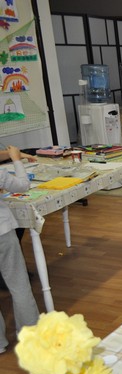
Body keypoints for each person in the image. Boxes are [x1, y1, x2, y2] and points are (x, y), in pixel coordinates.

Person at [0, 145, 40, 354]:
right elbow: (23, 185)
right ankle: (29, 336)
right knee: (18, 284)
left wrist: (12, 154)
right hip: (3, 233)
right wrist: (16, 161)